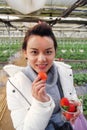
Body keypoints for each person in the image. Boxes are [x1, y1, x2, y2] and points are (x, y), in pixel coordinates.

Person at [4, 22, 82, 130]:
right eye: (34, 52)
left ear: (55, 52)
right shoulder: (15, 86)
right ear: (25, 53)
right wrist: (40, 104)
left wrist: (76, 109)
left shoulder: (64, 72)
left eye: (48, 52)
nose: (41, 59)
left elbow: (72, 96)